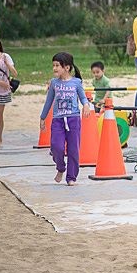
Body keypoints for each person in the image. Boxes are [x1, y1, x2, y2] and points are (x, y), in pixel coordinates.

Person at [39, 53, 89, 186]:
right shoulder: (54, 83)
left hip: (73, 120)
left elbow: (83, 97)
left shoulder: (76, 82)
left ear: (66, 67)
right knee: (56, 147)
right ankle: (60, 167)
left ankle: (71, 177)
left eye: (57, 65)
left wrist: (86, 106)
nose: (54, 68)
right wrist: (42, 118)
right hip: (58, 120)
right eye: (53, 65)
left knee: (73, 150)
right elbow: (49, 101)